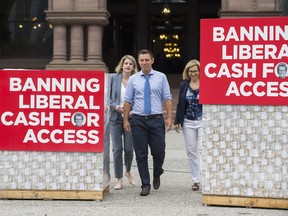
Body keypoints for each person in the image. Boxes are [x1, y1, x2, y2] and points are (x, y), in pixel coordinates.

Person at [123, 49, 173, 196]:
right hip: (138, 120)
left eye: (147, 60)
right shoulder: (133, 79)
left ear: (152, 60)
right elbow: (127, 101)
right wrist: (126, 119)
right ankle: (145, 184)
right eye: (142, 60)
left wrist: (169, 117)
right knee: (141, 154)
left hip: (156, 119)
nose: (144, 63)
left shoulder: (161, 77)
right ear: (139, 62)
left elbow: (167, 98)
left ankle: (157, 172)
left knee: (159, 152)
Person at [110, 55, 138, 190]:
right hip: (115, 118)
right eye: (126, 63)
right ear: (122, 65)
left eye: (130, 64)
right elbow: (107, 97)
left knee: (128, 149)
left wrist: (134, 110)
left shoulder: (136, 80)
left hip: (130, 118)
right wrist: (115, 106)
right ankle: (119, 179)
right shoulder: (113, 79)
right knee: (117, 149)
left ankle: (127, 170)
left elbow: (139, 98)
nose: (128, 66)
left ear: (133, 67)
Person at [174, 59, 203, 191]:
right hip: (188, 122)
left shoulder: (206, 83)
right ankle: (195, 180)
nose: (193, 73)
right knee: (191, 151)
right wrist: (177, 121)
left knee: (203, 150)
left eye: (195, 71)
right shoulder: (184, 85)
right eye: (190, 71)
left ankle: (206, 178)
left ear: (199, 71)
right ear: (187, 72)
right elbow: (180, 104)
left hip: (203, 120)